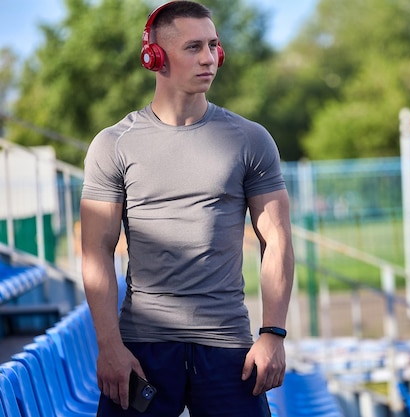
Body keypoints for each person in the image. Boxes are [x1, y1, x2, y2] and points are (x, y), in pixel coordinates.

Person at [80, 1, 294, 416]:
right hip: (142, 348)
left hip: (227, 346)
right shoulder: (113, 144)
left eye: (213, 46)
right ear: (154, 58)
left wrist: (273, 334)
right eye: (193, 47)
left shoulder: (250, 140)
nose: (208, 58)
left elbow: (278, 240)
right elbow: (95, 252)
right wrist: (109, 347)